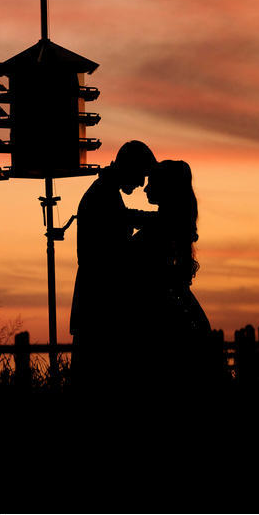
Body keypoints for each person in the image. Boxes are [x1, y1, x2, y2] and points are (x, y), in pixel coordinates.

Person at [69, 140, 157, 389]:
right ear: (130, 168)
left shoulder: (104, 191)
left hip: (95, 302)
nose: (141, 184)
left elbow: (126, 218)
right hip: (99, 304)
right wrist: (159, 221)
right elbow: (121, 235)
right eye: (141, 175)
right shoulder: (103, 195)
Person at [128, 159, 211, 387]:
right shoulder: (171, 224)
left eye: (151, 183)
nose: (145, 188)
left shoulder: (161, 229)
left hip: (159, 322)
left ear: (165, 187)